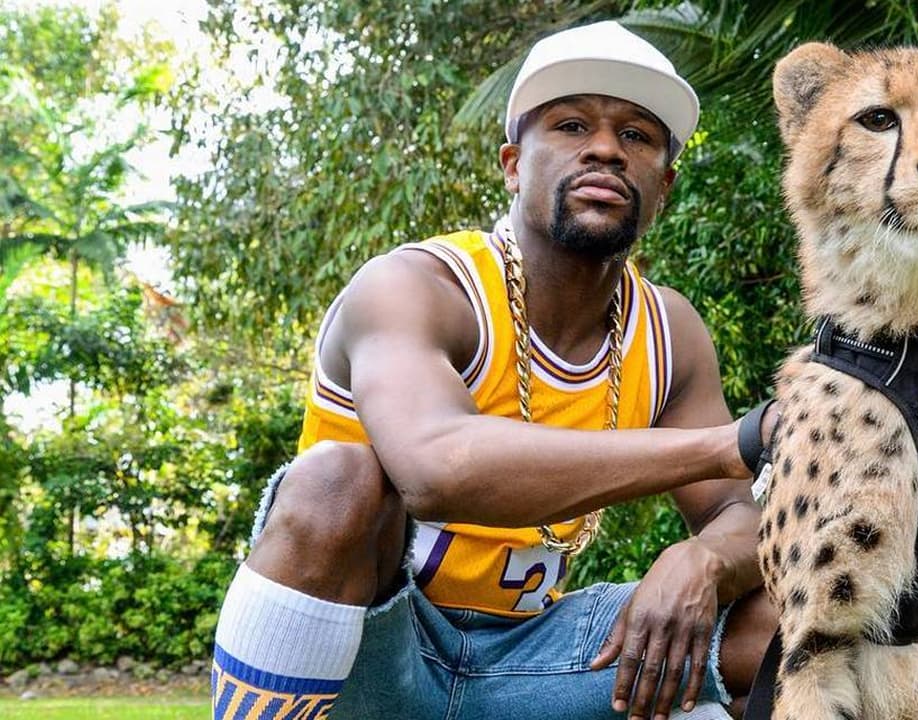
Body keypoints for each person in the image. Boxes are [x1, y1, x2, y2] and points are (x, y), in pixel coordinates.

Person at [209, 20, 776, 720]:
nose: (605, 148)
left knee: (797, 610)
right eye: (571, 126)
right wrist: (732, 443)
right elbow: (435, 469)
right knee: (337, 478)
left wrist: (704, 562)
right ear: (512, 164)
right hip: (375, 650)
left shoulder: (666, 331)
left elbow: (741, 512)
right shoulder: (418, 286)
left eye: (637, 135)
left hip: (535, 654)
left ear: (663, 185)